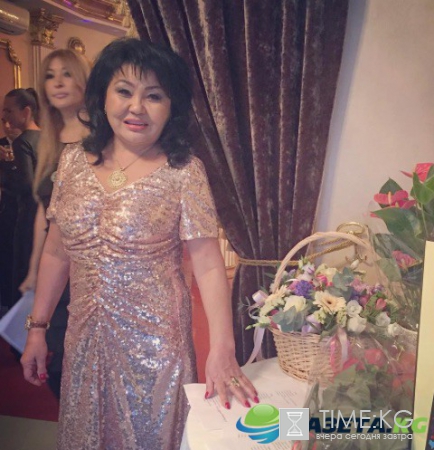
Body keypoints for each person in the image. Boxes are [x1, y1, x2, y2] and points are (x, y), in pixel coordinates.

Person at [21, 38, 257, 450]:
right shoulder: (72, 161)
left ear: (172, 106)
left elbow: (207, 264)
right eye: (124, 91)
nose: (137, 107)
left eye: (154, 96)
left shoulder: (184, 171)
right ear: (103, 95)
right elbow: (57, 251)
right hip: (84, 341)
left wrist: (222, 347)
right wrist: (37, 329)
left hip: (156, 349)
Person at [18, 49, 90, 398]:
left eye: (66, 73)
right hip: (56, 260)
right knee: (57, 356)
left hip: (90, 267)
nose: (58, 82)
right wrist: (33, 271)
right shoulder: (49, 139)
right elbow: (43, 213)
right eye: (49, 75)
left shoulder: (102, 137)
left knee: (78, 359)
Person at [1, 88, 40, 308]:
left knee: (22, 272)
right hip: (44, 215)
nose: (4, 116)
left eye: (9, 110)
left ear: (26, 112)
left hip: (27, 217)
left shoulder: (22, 141)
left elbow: (26, 185)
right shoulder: (46, 137)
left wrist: (6, 171)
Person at [0, 119, 22, 313]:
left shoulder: (31, 142)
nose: (7, 125)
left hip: (24, 210)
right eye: (3, 120)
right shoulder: (1, 144)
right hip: (5, 209)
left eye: (10, 119)